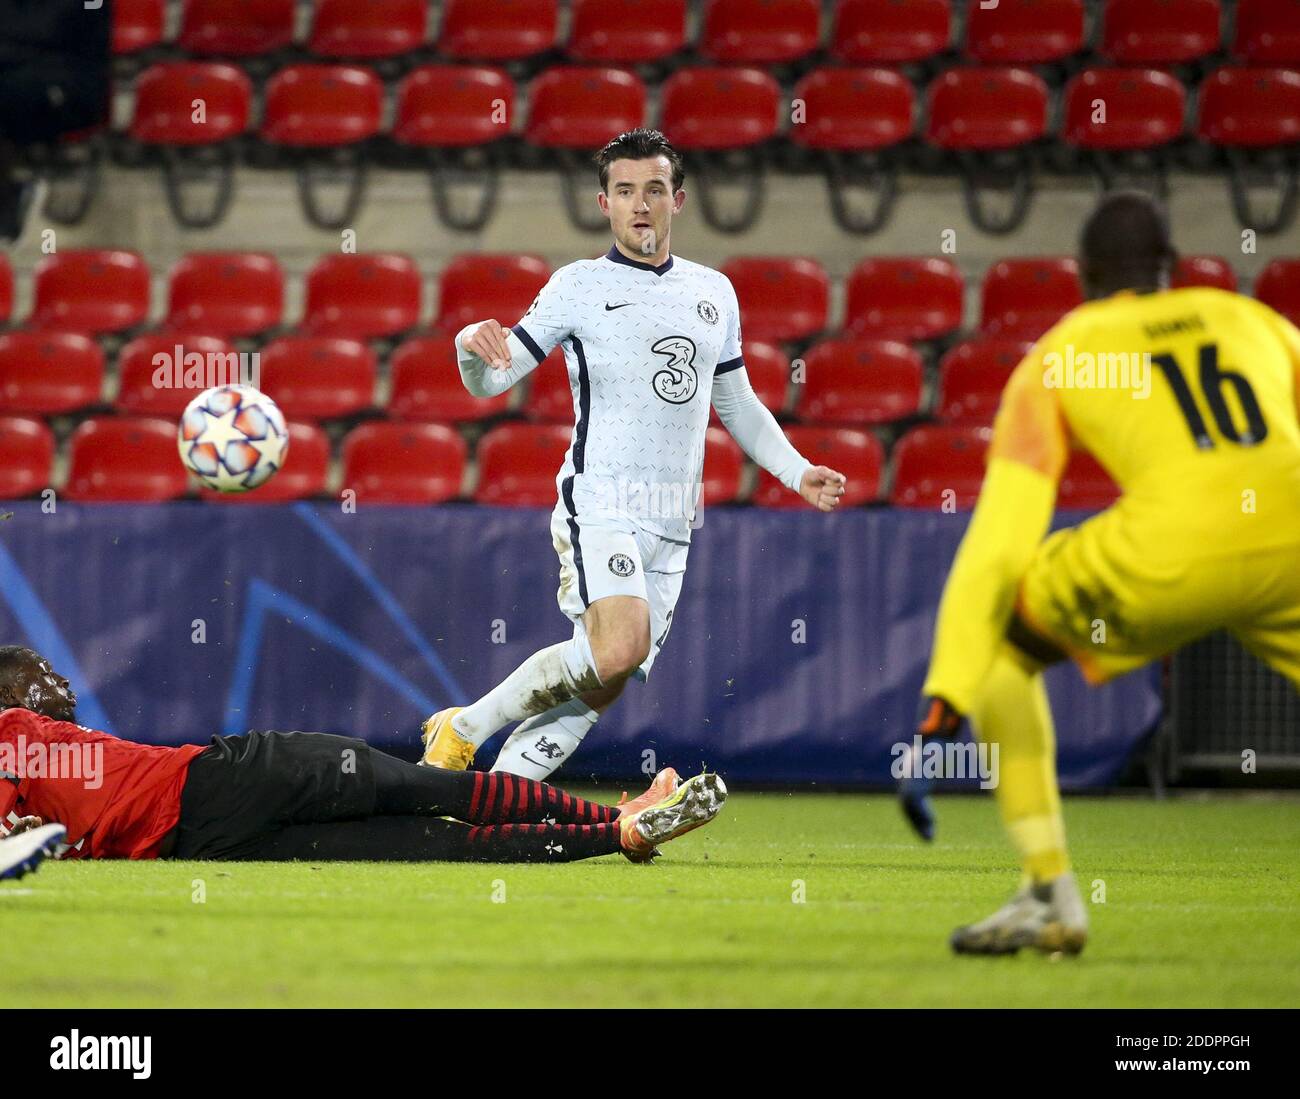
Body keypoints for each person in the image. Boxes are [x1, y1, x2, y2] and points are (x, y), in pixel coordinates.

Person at [904, 191, 1300, 955]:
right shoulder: (1254, 320)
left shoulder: (1063, 351)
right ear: (1175, 270)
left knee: (1005, 646)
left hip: (1173, 551)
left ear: (1082, 275)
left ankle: (1048, 892)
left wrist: (948, 688)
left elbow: (1000, 541)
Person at [422, 127, 847, 780]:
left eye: (654, 189)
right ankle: (466, 725)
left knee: (603, 677)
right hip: (602, 499)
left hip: (674, 517)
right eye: (625, 191)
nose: (640, 204)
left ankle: (501, 799)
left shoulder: (714, 292)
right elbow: (492, 379)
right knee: (618, 645)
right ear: (604, 204)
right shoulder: (577, 286)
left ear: (678, 200)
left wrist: (796, 470)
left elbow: (735, 403)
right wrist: (466, 348)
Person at [0, 645, 726, 864]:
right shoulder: (10, 729)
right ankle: (618, 826)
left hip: (211, 816)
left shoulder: (37, 757)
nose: (57, 679)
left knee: (432, 827)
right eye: (37, 671)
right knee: (434, 815)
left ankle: (619, 825)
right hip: (222, 795)